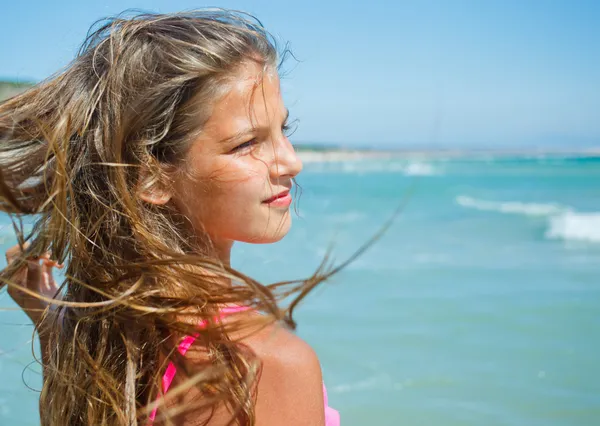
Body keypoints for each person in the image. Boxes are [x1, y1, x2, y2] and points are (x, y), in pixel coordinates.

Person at [0, 10, 341, 425]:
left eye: (283, 130)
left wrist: (49, 317)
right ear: (151, 179)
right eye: (247, 143)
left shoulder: (95, 338)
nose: (291, 161)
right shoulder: (265, 364)